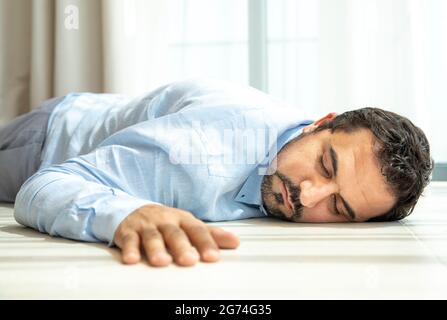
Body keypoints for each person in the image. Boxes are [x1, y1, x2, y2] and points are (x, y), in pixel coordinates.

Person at [1, 78, 433, 267]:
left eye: (338, 206)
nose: (308, 194)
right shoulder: (200, 154)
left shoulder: (300, 147)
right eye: (325, 165)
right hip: (49, 139)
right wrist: (125, 214)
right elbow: (44, 186)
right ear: (321, 122)